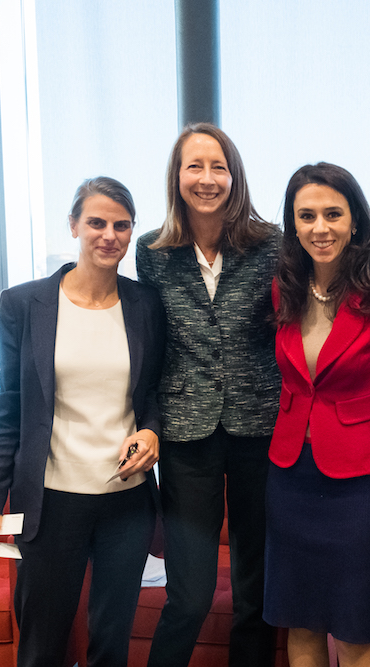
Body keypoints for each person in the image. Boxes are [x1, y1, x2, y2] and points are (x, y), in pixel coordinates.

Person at [0, 176, 165, 667]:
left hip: (126, 503)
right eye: (97, 222)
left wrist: (151, 430)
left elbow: (156, 392)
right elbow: (9, 408)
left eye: (122, 225)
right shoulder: (23, 304)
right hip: (51, 502)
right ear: (74, 225)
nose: (110, 235)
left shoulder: (146, 306)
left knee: (111, 641)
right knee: (41, 643)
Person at [265, 163, 370, 667]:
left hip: (363, 488)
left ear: (354, 221)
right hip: (289, 476)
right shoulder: (282, 289)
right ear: (293, 226)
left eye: (333, 214)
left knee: (355, 633)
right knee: (302, 624)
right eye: (306, 216)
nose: (320, 228)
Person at [137, 123, 281, 667]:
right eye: (194, 166)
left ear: (234, 176)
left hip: (260, 429)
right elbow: (140, 327)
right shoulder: (153, 253)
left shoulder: (272, 245)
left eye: (217, 166)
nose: (206, 178)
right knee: (190, 594)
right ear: (177, 177)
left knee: (255, 591)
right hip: (185, 433)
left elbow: (299, 321)